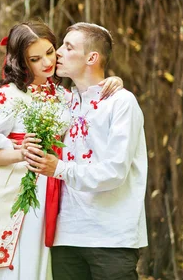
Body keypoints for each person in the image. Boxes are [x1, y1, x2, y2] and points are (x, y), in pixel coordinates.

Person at [0, 21, 123, 280]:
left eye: (50, 52)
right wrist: (20, 153)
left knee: (40, 264)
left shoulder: (61, 94)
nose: (46, 62)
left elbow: (89, 104)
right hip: (14, 192)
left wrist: (111, 80)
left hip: (52, 189)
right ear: (22, 62)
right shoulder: (11, 95)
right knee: (14, 263)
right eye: (35, 59)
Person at [24, 22, 148, 280]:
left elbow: (115, 171)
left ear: (92, 57)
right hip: (65, 236)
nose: (57, 52)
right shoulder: (62, 102)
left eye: (68, 47)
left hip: (111, 237)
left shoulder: (121, 103)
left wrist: (58, 168)